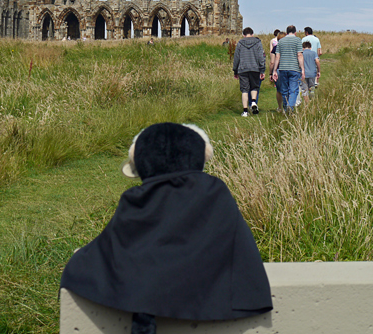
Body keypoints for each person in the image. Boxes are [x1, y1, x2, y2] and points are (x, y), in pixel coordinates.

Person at [60, 123, 273, 331]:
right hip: (213, 301)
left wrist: (80, 261)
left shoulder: (137, 199)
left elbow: (112, 248)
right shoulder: (215, 192)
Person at [232, 27, 265, 117]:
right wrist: (262, 69)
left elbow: (236, 58)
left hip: (243, 69)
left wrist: (235, 70)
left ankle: (245, 111)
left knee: (244, 90)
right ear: (252, 34)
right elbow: (260, 57)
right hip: (255, 68)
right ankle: (253, 102)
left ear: (243, 35)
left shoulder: (240, 43)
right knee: (254, 87)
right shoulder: (258, 43)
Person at [272, 25, 305, 113]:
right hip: (294, 68)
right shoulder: (298, 40)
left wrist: (275, 70)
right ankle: (290, 108)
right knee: (293, 90)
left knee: (284, 90)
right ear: (295, 32)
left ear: (286, 33)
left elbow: (277, 57)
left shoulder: (281, 41)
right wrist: (302, 69)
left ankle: (285, 108)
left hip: (282, 68)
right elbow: (299, 55)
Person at [269, 31, 286, 112]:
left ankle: (280, 107)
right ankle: (286, 107)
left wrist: (271, 73)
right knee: (287, 89)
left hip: (278, 70)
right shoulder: (289, 47)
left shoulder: (275, 48)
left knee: (279, 90)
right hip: (288, 68)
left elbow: (272, 62)